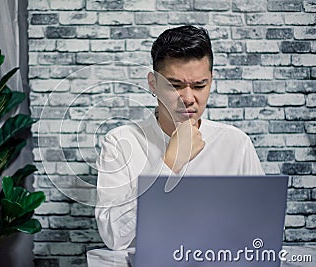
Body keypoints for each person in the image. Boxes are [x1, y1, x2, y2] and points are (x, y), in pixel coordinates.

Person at [94, 25, 264, 252]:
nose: (187, 98)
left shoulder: (236, 143)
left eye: (199, 85)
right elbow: (114, 237)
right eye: (174, 86)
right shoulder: (120, 142)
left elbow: (262, 231)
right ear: (153, 84)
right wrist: (169, 164)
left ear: (210, 82)